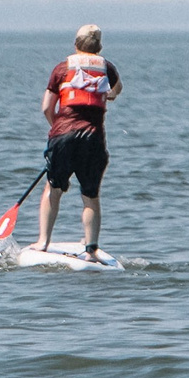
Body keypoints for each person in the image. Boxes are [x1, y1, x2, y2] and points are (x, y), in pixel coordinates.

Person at [36, 24, 122, 259]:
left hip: (63, 136)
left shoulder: (62, 68)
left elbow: (46, 107)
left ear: (76, 44)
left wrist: (56, 130)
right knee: (90, 196)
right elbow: (117, 90)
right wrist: (109, 95)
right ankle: (91, 249)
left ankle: (43, 242)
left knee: (53, 188)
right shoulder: (107, 68)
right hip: (93, 139)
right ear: (99, 46)